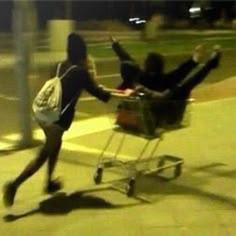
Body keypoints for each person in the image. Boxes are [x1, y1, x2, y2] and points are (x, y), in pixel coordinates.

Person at [3, 33, 130, 208]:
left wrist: (91, 79)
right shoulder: (81, 72)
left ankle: (49, 182)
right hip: (56, 120)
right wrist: (124, 94)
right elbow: (102, 95)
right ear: (83, 53)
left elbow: (62, 86)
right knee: (44, 154)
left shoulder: (59, 65)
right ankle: (14, 185)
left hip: (43, 112)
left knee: (55, 144)